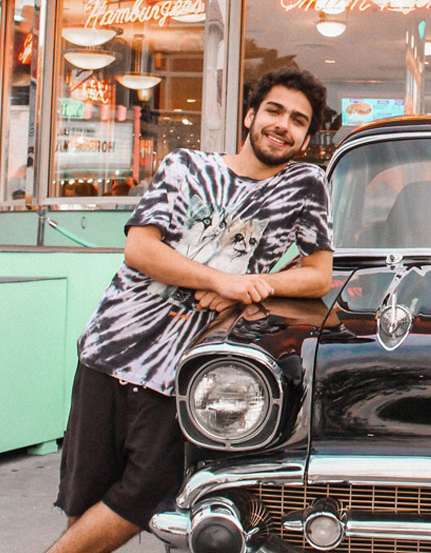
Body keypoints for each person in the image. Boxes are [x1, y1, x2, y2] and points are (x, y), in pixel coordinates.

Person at [49, 67, 335, 553]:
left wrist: (250, 288)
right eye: (274, 111)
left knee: (144, 495)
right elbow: (141, 249)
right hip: (112, 347)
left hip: (184, 371)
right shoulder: (185, 167)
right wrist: (221, 280)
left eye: (298, 120)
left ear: (306, 138)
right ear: (250, 116)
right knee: (86, 498)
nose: (283, 125)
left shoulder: (304, 187)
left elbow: (318, 275)